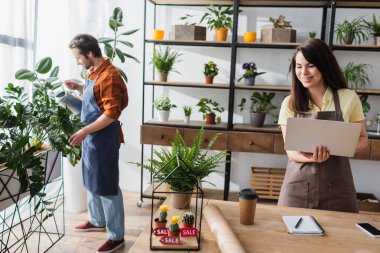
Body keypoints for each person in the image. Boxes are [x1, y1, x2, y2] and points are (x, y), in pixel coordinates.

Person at [277, 39, 368, 213]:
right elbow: (291, 151)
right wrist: (312, 158)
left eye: (310, 65)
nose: (303, 72)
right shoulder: (289, 103)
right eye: (298, 66)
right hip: (298, 188)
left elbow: (363, 139)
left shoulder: (348, 98)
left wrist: (341, 147)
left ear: (324, 65)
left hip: (339, 189)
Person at [65, 34, 128, 253]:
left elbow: (110, 114)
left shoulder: (110, 76)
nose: (78, 62)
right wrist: (80, 88)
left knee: (107, 185)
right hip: (92, 137)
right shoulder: (95, 72)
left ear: (90, 54)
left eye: (78, 57)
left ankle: (116, 235)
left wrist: (83, 131)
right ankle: (97, 219)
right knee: (92, 179)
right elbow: (97, 99)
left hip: (104, 137)